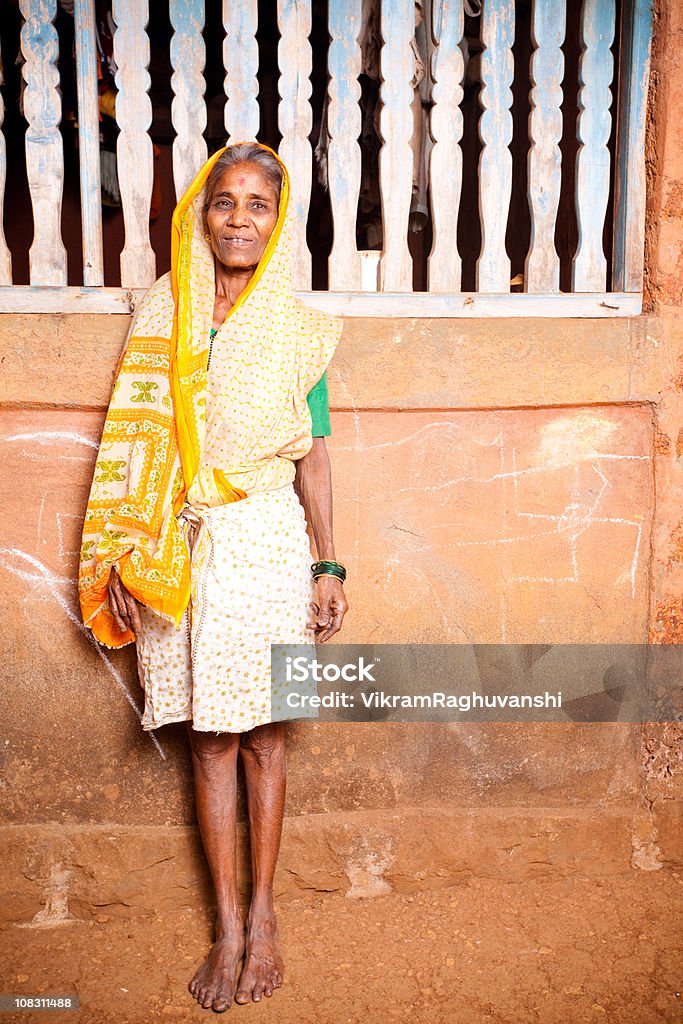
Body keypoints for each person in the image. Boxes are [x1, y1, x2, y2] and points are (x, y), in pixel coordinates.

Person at [78, 141, 349, 1012]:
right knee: (208, 741)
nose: (240, 218)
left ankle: (266, 916)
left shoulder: (297, 326)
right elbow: (134, 437)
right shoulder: (166, 308)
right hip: (176, 543)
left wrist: (327, 563)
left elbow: (313, 460)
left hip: (267, 535)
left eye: (257, 204)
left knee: (265, 734)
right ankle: (226, 926)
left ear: (280, 219)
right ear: (201, 214)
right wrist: (123, 547)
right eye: (224, 202)